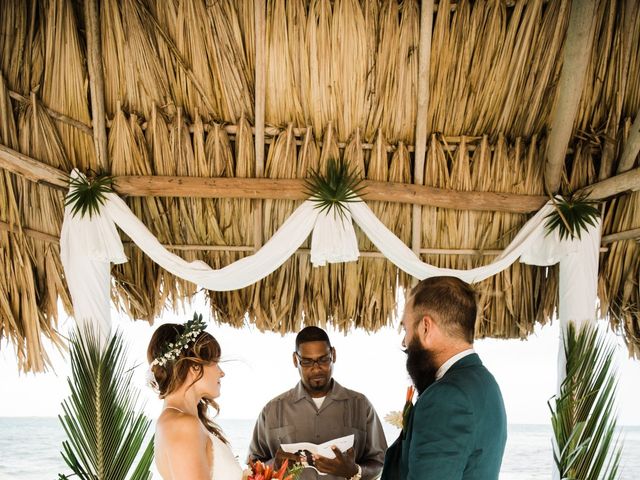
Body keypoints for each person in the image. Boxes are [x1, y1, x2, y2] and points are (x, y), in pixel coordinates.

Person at [382, 276, 507, 480]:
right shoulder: (486, 382)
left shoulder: (446, 397)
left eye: (406, 329)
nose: (404, 341)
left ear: (425, 328)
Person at [248, 326, 387, 480]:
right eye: (307, 362)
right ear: (295, 360)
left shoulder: (361, 406)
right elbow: (252, 466)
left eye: (323, 359)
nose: (316, 369)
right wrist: (275, 465)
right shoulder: (272, 410)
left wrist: (355, 471)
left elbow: (381, 464)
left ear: (333, 355)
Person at [147, 314, 243, 480]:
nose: (222, 373)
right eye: (216, 362)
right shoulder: (183, 425)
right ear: (194, 367)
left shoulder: (181, 420)